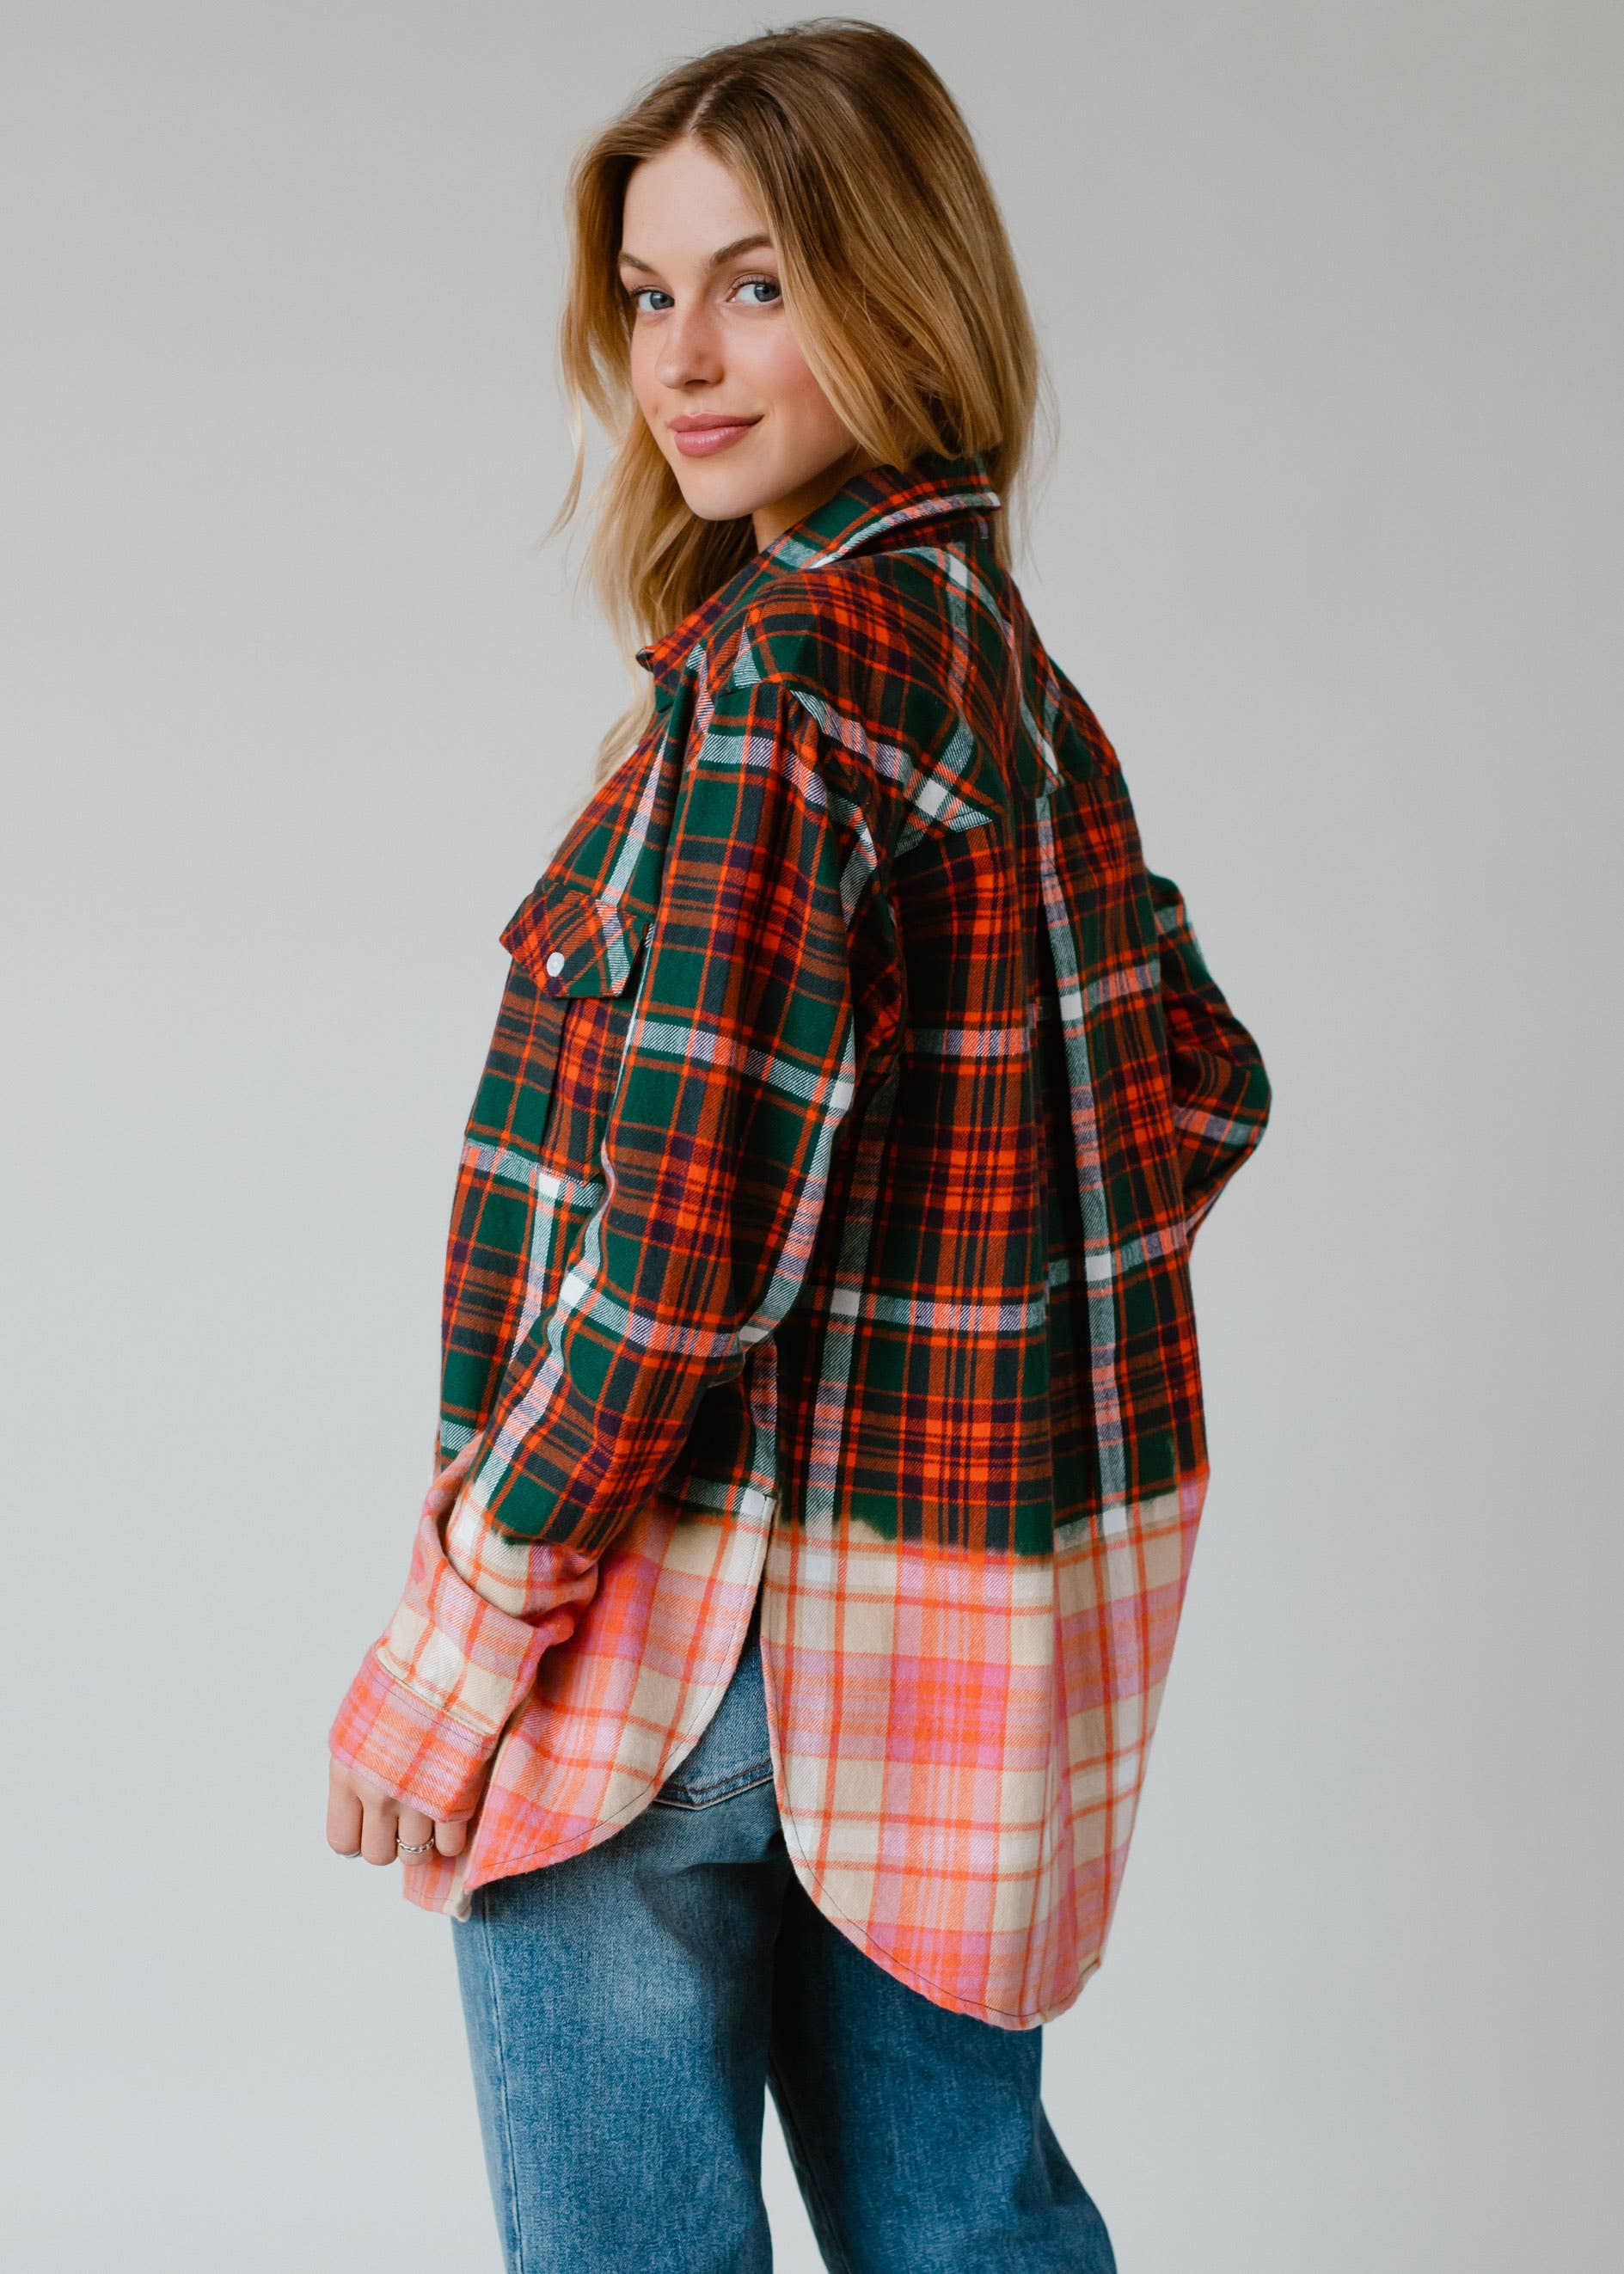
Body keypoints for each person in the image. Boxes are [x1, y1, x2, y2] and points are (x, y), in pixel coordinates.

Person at [325, 20, 1272, 2272]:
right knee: (969, 2233)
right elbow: (1195, 1085)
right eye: (650, 295)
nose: (682, 358)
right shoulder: (1004, 671)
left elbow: (676, 1256)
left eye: (756, 284)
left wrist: (454, 1646)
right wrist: (941, 1288)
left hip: (677, 1640)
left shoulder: (778, 682)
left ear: (900, 284)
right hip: (951, 1659)